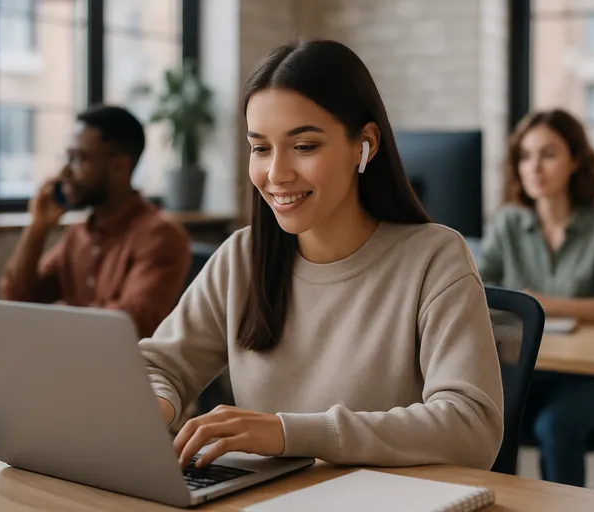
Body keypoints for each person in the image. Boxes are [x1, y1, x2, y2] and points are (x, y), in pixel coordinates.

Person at [139, 39, 504, 471]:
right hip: (267, 501)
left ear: (363, 145)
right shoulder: (242, 256)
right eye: (260, 148)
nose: (276, 174)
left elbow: (471, 427)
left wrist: (287, 433)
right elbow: (158, 365)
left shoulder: (434, 258)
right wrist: (154, 407)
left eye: (304, 146)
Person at [476, 108, 594, 487]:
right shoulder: (508, 222)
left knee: (556, 427)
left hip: (587, 377)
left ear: (576, 160)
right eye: (526, 156)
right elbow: (479, 291)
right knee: (479, 417)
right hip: (523, 369)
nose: (535, 167)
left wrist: (537, 304)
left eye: (548, 154)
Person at [0, 105, 192, 339]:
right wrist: (37, 227)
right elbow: (16, 300)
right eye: (67, 157)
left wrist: (58, 314)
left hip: (129, 371)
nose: (64, 173)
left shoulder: (161, 236)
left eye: (80, 159)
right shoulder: (78, 232)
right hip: (74, 363)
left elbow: (129, 324)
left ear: (119, 166)